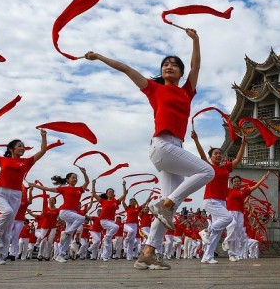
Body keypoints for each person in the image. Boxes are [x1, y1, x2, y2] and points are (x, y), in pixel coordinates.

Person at [85, 27, 214, 270]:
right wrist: (99, 56)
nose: (169, 66)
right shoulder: (153, 89)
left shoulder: (187, 91)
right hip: (163, 146)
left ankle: (147, 254)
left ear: (180, 72)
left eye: (175, 64)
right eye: (165, 64)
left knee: (171, 206)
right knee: (208, 172)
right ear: (161, 71)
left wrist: (196, 40)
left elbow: (196, 66)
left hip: (174, 149)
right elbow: (125, 69)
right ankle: (164, 204)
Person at [0, 130, 48, 264]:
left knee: (8, 229)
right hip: (0, 191)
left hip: (16, 194)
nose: (22, 148)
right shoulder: (3, 160)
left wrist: (43, 136)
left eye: (23, 146)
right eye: (19, 146)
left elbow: (43, 151)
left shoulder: (26, 162)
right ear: (11, 148)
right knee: (8, 212)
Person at [191, 129, 247, 264]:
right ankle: (205, 230)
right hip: (210, 200)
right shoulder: (209, 166)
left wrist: (243, 144)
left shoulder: (225, 168)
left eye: (220, 153)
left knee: (218, 231)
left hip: (221, 202)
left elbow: (238, 159)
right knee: (228, 218)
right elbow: (202, 156)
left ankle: (207, 256)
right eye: (216, 153)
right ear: (212, 156)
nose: (219, 155)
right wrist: (196, 140)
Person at [29, 167, 89, 262]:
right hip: (65, 212)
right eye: (73, 177)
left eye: (76, 178)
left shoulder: (79, 189)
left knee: (68, 238)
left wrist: (84, 173)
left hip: (73, 213)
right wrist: (36, 186)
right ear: (68, 179)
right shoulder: (63, 189)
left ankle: (60, 255)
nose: (75, 179)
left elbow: (87, 183)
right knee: (81, 218)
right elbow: (47, 188)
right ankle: (66, 232)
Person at [225, 172, 268, 262]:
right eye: (235, 181)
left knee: (238, 235)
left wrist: (262, 179)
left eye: (238, 181)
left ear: (240, 183)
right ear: (232, 183)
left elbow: (255, 187)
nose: (236, 182)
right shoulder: (228, 190)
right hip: (230, 212)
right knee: (231, 228)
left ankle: (233, 254)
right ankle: (226, 241)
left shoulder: (243, 191)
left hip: (240, 214)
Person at [91, 180, 127, 261]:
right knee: (115, 228)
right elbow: (94, 194)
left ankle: (105, 256)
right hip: (104, 221)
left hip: (111, 221)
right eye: (109, 192)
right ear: (106, 194)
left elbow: (124, 195)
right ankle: (106, 237)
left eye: (112, 192)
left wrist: (124, 185)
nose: (111, 193)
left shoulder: (115, 202)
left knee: (109, 241)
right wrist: (93, 184)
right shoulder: (103, 201)